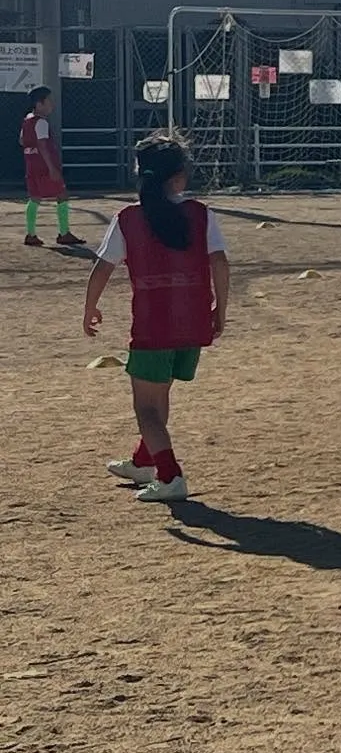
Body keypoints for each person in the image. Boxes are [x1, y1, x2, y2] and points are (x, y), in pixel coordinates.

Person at [84, 132, 230, 503]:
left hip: (153, 325)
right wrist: (220, 309)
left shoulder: (129, 219)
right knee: (160, 393)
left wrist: (90, 306)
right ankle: (142, 462)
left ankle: (169, 475)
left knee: (146, 407)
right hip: (193, 322)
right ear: (179, 177)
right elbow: (219, 262)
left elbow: (103, 267)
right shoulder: (200, 213)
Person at [19, 85, 85, 248]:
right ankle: (64, 233)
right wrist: (52, 168)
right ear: (39, 104)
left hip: (31, 165)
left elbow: (22, 140)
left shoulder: (27, 120)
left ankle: (31, 234)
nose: (52, 104)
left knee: (34, 197)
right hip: (43, 166)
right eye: (49, 101)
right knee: (62, 195)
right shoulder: (41, 122)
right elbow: (42, 145)